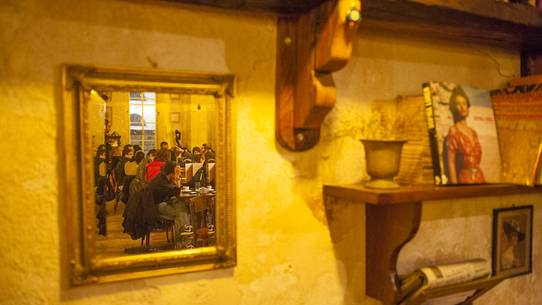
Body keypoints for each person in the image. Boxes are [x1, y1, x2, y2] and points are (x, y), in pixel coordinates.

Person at [444, 86, 485, 184]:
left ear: (468, 106)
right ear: (454, 108)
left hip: (480, 179)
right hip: (465, 181)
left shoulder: (473, 132)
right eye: (458, 104)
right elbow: (451, 164)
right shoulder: (453, 131)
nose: (462, 107)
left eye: (464, 103)